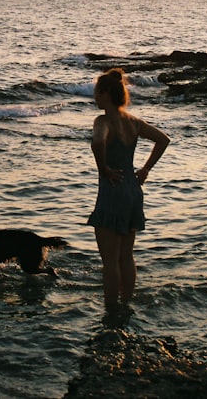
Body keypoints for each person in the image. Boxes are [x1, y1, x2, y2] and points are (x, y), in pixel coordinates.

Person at [87, 67, 169, 311]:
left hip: (113, 191)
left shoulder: (102, 121)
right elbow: (163, 139)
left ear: (105, 95)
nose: (94, 97)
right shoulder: (133, 122)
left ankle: (112, 310)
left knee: (110, 261)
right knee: (127, 255)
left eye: (96, 93)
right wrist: (145, 170)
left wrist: (103, 169)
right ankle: (127, 302)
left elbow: (97, 142)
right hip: (133, 191)